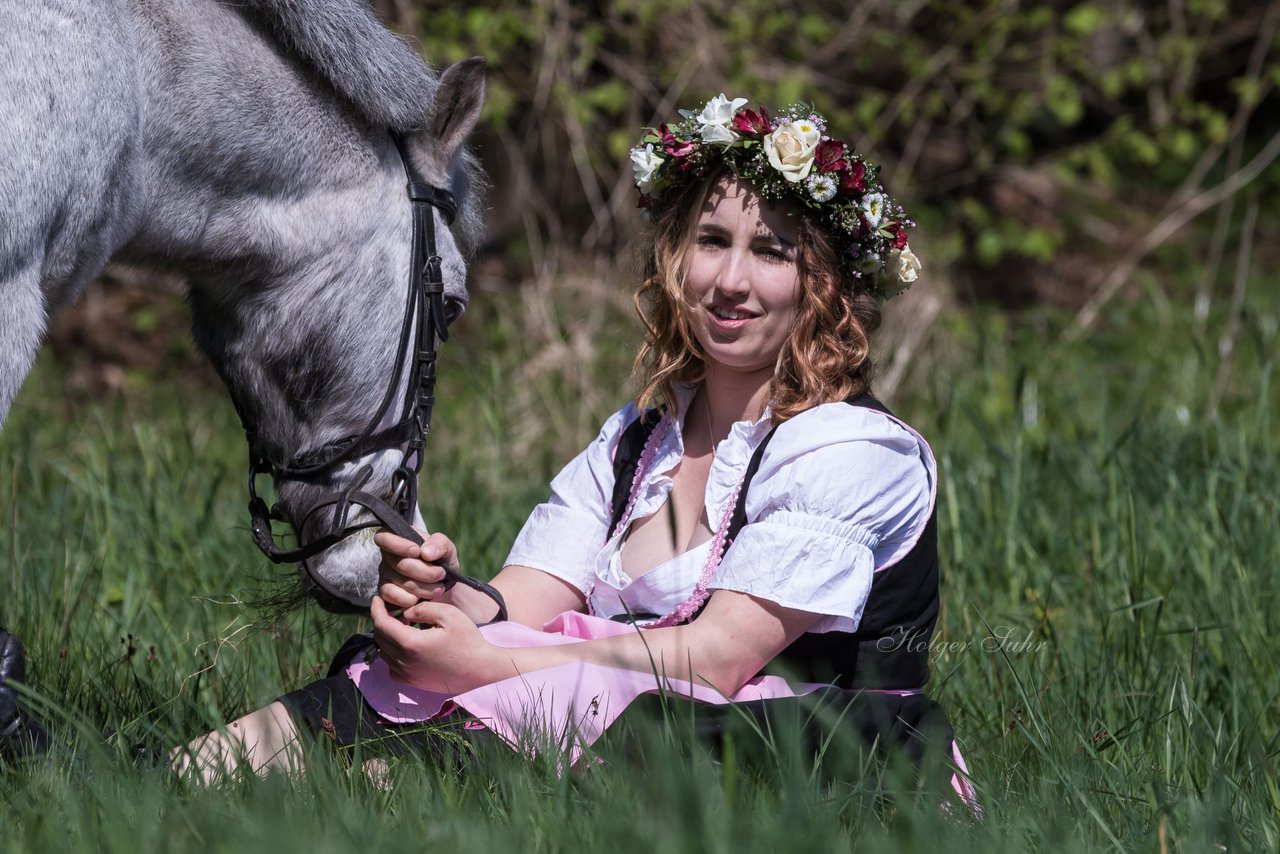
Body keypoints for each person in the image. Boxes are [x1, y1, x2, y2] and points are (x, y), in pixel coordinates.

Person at [1, 95, 974, 809]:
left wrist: (484, 665)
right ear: (672, 257)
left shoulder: (848, 446)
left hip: (802, 742)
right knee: (404, 668)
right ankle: (117, 786)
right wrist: (446, 599)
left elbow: (717, 659)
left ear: (827, 284)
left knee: (499, 695)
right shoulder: (643, 435)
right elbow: (528, 602)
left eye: (769, 251)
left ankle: (319, 800)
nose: (727, 279)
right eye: (707, 240)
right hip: (628, 700)